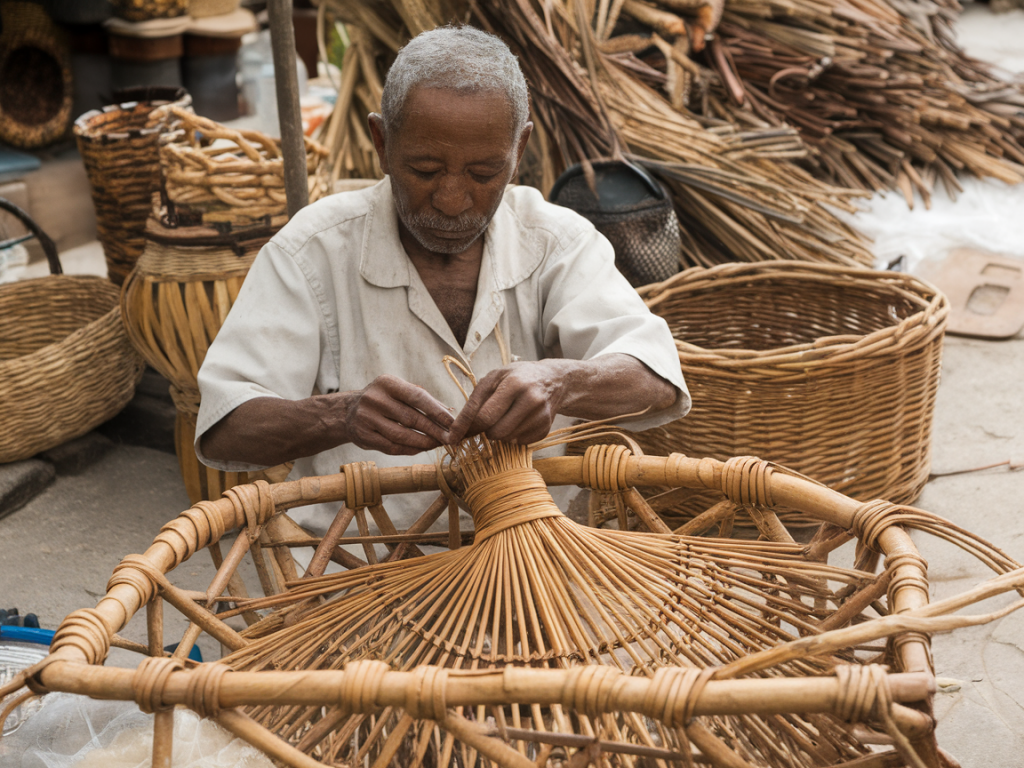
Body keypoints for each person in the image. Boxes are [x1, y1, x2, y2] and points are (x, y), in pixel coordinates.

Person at [195, 25, 690, 534]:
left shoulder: (554, 241)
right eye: (425, 169)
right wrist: (339, 417)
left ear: (519, 150)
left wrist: (562, 382)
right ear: (381, 142)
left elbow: (656, 379)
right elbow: (224, 429)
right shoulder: (313, 250)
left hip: (522, 560)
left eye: (483, 173)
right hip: (359, 571)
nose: (453, 200)